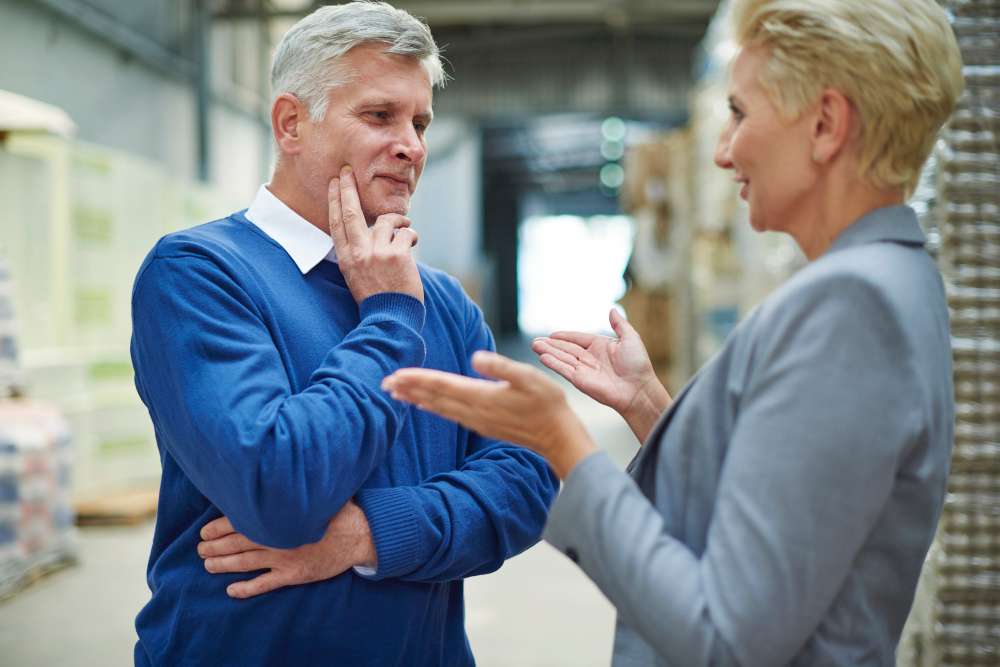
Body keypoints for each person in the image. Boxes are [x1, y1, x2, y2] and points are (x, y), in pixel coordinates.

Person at [382, 0, 964, 664]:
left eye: (740, 114)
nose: (722, 151)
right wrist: (649, 406)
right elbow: (784, 520)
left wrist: (564, 441)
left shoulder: (851, 307)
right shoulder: (887, 279)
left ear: (827, 124)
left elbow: (720, 637)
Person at [129, 3, 556, 664]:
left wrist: (370, 534)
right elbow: (277, 487)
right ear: (291, 123)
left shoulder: (438, 301)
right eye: (380, 115)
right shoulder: (199, 275)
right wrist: (386, 320)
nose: (412, 145)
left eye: (419, 122)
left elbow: (527, 483)